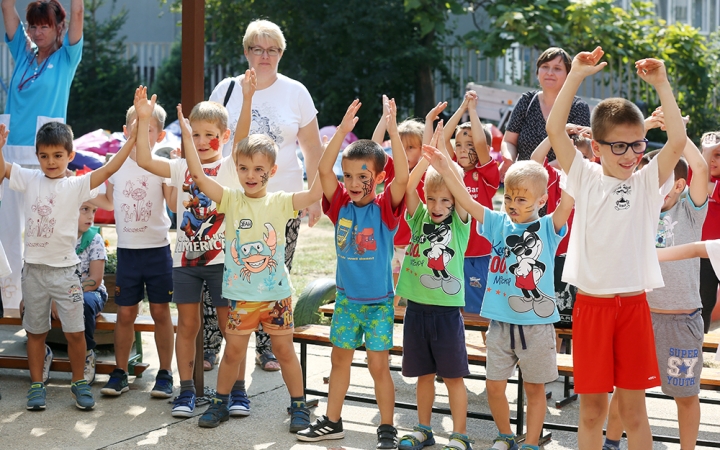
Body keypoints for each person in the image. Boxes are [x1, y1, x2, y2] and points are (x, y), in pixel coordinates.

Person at [546, 47, 687, 449]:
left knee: (634, 413)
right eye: (619, 147)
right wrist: (574, 76)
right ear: (597, 148)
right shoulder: (585, 177)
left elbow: (676, 141)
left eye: (638, 145)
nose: (630, 155)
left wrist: (661, 84)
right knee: (591, 412)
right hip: (592, 308)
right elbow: (556, 132)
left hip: (633, 307)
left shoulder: (647, 182)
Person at [176, 107, 322, 432]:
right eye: (243, 168)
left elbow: (315, 192)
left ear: (273, 169)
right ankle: (220, 404)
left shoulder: (282, 201)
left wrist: (332, 144)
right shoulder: (230, 199)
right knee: (233, 353)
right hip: (241, 298)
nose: (250, 175)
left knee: (284, 351)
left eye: (258, 168)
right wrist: (188, 136)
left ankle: (299, 407)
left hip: (277, 297)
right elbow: (199, 177)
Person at [135, 74, 254, 417]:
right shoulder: (180, 167)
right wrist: (145, 119)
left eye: (209, 135)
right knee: (187, 326)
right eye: (195, 133)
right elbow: (144, 161)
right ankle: (186, 391)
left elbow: (244, 134)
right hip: (185, 263)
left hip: (223, 263)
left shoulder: (230, 166)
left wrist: (246, 98)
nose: (201, 141)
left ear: (224, 137)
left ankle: (238, 390)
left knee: (232, 326)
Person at [0, 113, 135, 411]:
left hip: (65, 274)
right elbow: (4, 170)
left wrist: (131, 140)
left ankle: (79, 383)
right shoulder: (30, 178)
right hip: (33, 271)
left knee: (75, 333)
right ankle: (37, 385)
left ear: (70, 155)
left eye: (58, 155)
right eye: (45, 155)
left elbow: (110, 167)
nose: (51, 161)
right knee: (36, 333)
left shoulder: (76, 185)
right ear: (37, 156)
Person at [211, 19, 324, 372]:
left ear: (281, 53)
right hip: (235, 199)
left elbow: (312, 146)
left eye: (272, 49)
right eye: (257, 49)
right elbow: (210, 139)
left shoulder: (296, 92)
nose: (265, 56)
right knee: (228, 270)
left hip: (283, 200)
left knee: (277, 271)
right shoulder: (227, 89)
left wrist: (316, 196)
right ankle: (215, 341)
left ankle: (269, 345)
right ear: (246, 52)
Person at [296, 98, 407, 448]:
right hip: (346, 302)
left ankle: (386, 428)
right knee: (339, 361)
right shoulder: (341, 203)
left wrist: (392, 131)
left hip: (378, 305)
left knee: (378, 368)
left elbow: (402, 176)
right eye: (350, 176)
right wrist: (342, 132)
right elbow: (324, 172)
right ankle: (332, 421)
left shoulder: (385, 209)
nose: (355, 182)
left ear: (379, 178)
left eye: (363, 176)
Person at [602, 137, 708, 450]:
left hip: (680, 320)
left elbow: (699, 167)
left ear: (677, 185)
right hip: (640, 315)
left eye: (656, 179)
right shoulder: (638, 208)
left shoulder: (690, 210)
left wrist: (678, 135)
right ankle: (611, 442)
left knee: (685, 395)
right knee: (626, 388)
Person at [0, 0, 84, 311]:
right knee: (7, 229)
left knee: (43, 229)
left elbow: (77, 14)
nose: (37, 32)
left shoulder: (66, 57)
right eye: (33, 25)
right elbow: (7, 9)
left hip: (46, 156)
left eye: (44, 25)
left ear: (58, 27)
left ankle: (47, 305)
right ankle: (13, 304)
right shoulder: (24, 53)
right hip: (10, 153)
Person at [92, 87, 175, 399]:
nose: (143, 133)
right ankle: (120, 371)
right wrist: (78, 194)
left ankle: (165, 373)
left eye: (149, 128)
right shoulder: (116, 163)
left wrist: (180, 180)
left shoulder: (162, 164)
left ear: (160, 135)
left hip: (157, 250)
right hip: (128, 251)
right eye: (138, 127)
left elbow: (175, 204)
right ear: (126, 130)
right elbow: (110, 202)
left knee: (160, 311)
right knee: (125, 314)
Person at [395, 122, 474, 450]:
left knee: (453, 377)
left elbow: (463, 195)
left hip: (445, 313)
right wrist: (426, 162)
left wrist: (446, 164)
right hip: (416, 310)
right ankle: (423, 428)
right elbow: (407, 188)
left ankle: (460, 435)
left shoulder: (460, 224)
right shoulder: (418, 218)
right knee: (423, 375)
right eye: (432, 199)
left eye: (445, 200)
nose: (437, 206)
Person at [443, 90, 500, 314]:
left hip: (480, 254)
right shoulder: (452, 170)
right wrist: (461, 109)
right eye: (459, 145)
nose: (463, 149)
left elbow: (481, 142)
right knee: (454, 309)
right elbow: (442, 138)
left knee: (481, 311)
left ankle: (488, 347)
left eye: (470, 145)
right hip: (454, 251)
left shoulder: (487, 175)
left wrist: (473, 112)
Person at [499, 47, 590, 178]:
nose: (550, 72)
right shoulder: (527, 100)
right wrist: (509, 160)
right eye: (545, 66)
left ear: (568, 75)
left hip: (561, 186)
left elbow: (578, 153)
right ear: (537, 72)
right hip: (523, 181)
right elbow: (509, 141)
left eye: (557, 68)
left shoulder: (578, 107)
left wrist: (535, 171)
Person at [372, 95, 427, 305]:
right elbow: (372, 147)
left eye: (411, 147)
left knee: (418, 296)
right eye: (400, 146)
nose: (404, 152)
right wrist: (385, 120)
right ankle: (386, 323)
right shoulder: (392, 167)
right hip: (392, 242)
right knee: (391, 293)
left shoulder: (425, 171)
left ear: (423, 149)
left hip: (417, 245)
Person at [75, 201, 109, 386]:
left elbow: (95, 279)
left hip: (91, 292)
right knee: (32, 303)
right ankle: (43, 351)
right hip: (59, 292)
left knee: (84, 303)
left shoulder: (94, 239)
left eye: (93, 211)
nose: (90, 216)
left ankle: (87, 352)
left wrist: (69, 296)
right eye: (84, 210)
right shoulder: (58, 237)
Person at [699, 132, 720, 332]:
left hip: (718, 251)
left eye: (718, 155)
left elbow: (703, 185)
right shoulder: (693, 173)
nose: (712, 160)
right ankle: (698, 348)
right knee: (703, 302)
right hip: (702, 254)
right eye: (708, 154)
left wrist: (706, 151)